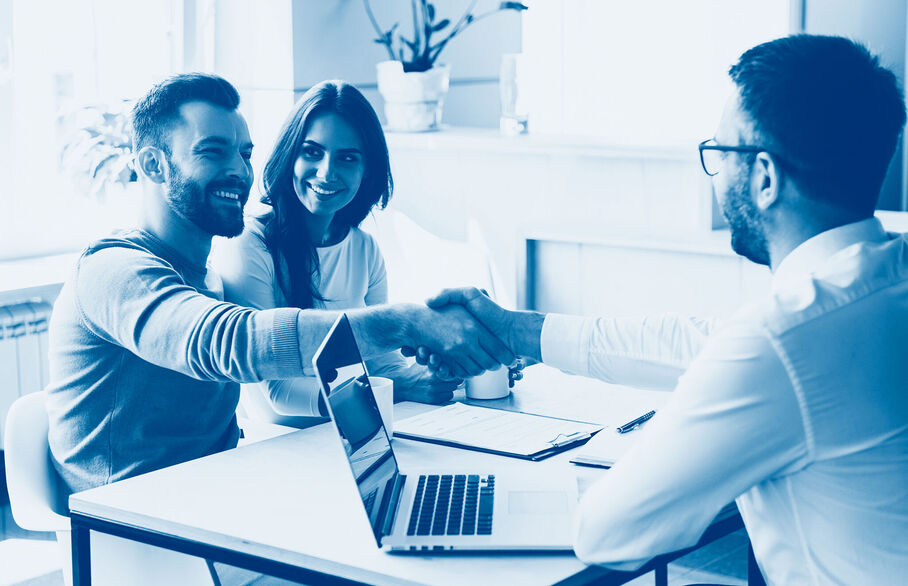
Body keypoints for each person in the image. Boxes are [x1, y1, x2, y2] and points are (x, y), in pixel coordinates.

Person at [420, 35, 908, 584]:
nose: (718, 172)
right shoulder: (878, 284)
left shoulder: (781, 342)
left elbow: (608, 534)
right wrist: (517, 332)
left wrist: (675, 436)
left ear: (766, 177)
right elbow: (699, 343)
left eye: (722, 152)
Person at [45, 72, 514, 494]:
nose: (238, 170)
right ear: (153, 165)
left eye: (244, 153)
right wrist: (406, 322)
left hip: (218, 491)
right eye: (212, 151)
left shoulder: (206, 274)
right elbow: (230, 342)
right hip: (135, 524)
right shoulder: (114, 271)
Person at [211, 81, 458, 426]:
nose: (327, 172)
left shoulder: (363, 248)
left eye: (347, 157)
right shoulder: (248, 244)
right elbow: (279, 393)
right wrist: (394, 388)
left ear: (366, 169)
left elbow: (383, 364)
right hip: (282, 449)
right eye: (312, 152)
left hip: (357, 435)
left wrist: (442, 375)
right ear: (289, 155)